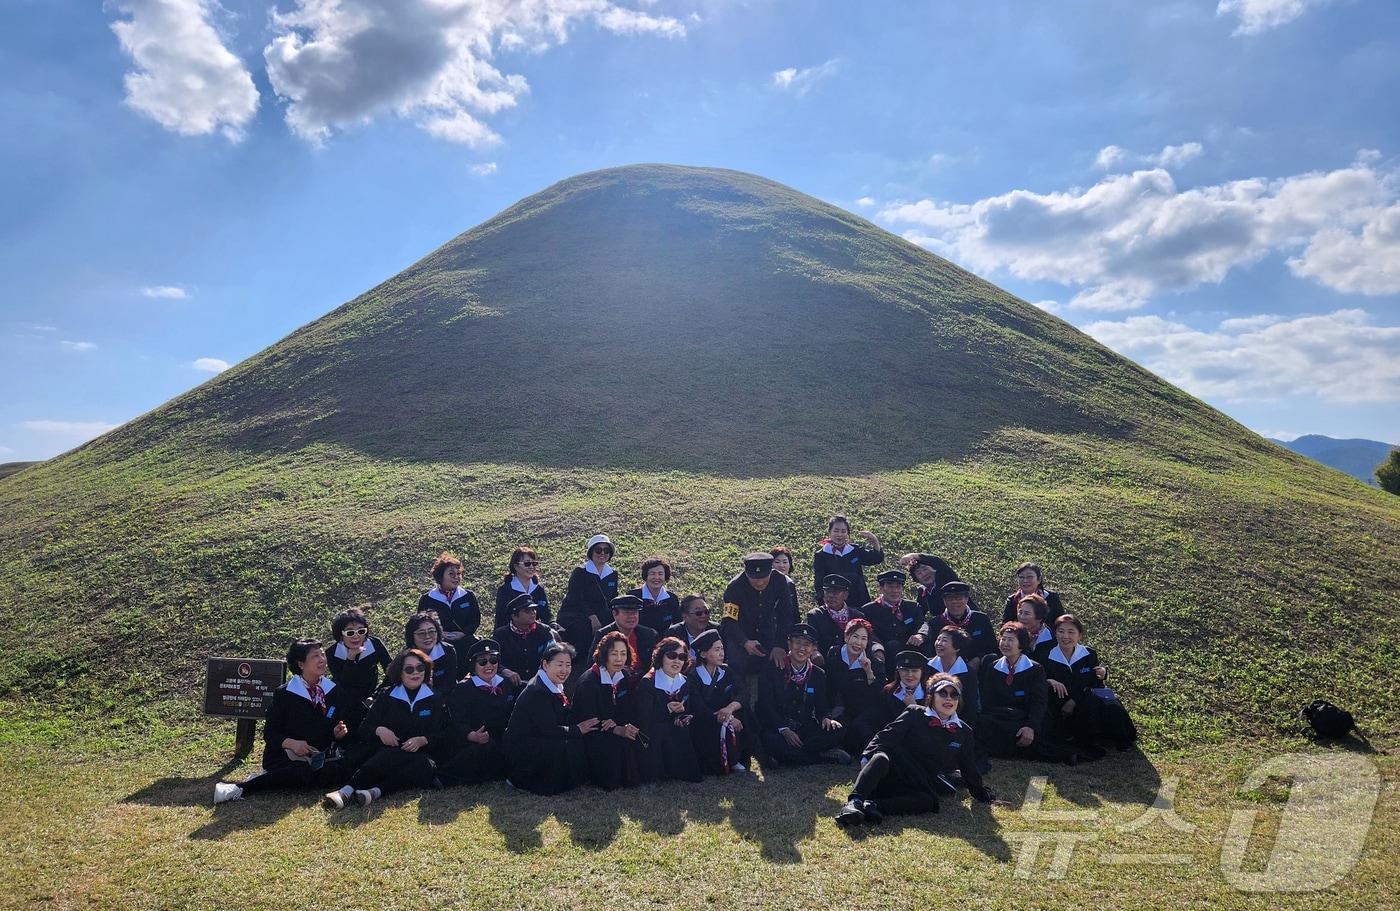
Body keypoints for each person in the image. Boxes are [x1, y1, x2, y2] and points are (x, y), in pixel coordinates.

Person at [835, 673, 996, 828]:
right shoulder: (914, 713)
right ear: (932, 697)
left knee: (928, 801)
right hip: (893, 770)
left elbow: (968, 767)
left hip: (919, 780)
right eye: (943, 693)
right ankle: (854, 803)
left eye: (954, 695)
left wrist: (982, 794)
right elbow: (885, 737)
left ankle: (873, 806)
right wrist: (866, 758)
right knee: (880, 758)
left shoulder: (963, 731)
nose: (949, 698)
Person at [214, 638, 354, 804]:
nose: (322, 659)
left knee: (339, 771)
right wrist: (293, 744)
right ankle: (243, 787)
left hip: (318, 757)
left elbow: (326, 729)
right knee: (301, 774)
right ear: (301, 664)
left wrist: (335, 733)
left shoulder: (331, 690)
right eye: (315, 656)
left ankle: (271, 779)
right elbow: (270, 734)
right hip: (284, 756)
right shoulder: (285, 694)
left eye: (322, 654)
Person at [325, 648, 447, 808]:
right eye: (409, 669)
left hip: (419, 756)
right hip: (385, 753)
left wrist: (423, 740)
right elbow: (364, 728)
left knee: (424, 766)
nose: (415, 673)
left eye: (420, 668)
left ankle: (375, 792)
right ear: (400, 672)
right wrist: (379, 730)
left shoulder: (435, 698)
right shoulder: (386, 695)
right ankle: (346, 791)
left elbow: (442, 732)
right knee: (388, 756)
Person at [502, 641, 595, 794]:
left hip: (539, 737)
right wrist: (578, 729)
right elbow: (549, 729)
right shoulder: (537, 691)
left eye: (568, 665)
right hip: (524, 747)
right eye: (559, 665)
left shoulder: (554, 684)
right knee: (564, 746)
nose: (564, 670)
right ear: (545, 665)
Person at [977, 622, 1074, 763]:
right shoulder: (993, 667)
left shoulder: (1035, 669)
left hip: (1025, 717)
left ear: (1021, 644)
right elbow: (988, 701)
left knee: (1029, 735)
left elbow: (1039, 702)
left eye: (1010, 640)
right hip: (1001, 717)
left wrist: (1030, 726)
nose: (1005, 643)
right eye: (1003, 639)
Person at [1043, 613, 1137, 753]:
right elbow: (1039, 680)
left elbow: (1094, 682)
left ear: (1079, 635)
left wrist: (1103, 674)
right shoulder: (1046, 655)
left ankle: (1122, 739)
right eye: (1061, 632)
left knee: (1110, 705)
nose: (1065, 636)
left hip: (1084, 697)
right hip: (1058, 702)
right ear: (1055, 634)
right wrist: (1049, 681)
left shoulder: (1088, 654)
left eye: (1071, 632)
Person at [756, 624, 848, 766]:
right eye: (798, 643)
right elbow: (766, 705)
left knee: (837, 730)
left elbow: (821, 706)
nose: (802, 648)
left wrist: (826, 718)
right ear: (789, 644)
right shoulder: (772, 669)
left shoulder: (818, 674)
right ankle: (821, 756)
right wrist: (784, 729)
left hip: (804, 727)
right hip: (778, 727)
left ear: (813, 649)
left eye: (807, 645)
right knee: (772, 742)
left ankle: (789, 757)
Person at [440, 639, 516, 786]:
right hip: (476, 741)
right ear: (473, 665)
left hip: (503, 738)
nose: (489, 665)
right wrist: (471, 735)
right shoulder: (463, 689)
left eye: (493, 660)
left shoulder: (505, 683)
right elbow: (456, 720)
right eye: (482, 662)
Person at [720, 553, 794, 703]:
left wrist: (779, 644)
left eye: (763, 578)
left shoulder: (780, 582)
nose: (759, 583)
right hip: (742, 636)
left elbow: (785, 615)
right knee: (735, 665)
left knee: (779, 667)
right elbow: (729, 621)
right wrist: (744, 642)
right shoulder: (735, 587)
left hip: (770, 636)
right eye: (754, 578)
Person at [573, 631, 642, 790]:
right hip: (592, 733)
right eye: (614, 654)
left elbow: (626, 708)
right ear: (604, 655)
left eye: (623, 654)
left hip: (614, 727)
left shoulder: (623, 675)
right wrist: (615, 729)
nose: (619, 659)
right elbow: (587, 719)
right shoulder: (588, 683)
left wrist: (622, 724)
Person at [635, 637, 703, 783]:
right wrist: (667, 709)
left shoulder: (685, 681)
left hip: (676, 730)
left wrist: (683, 716)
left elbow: (689, 708)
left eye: (682, 657)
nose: (677, 661)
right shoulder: (648, 682)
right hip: (654, 732)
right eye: (672, 656)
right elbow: (643, 718)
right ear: (661, 656)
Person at [686, 629, 750, 775]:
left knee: (745, 713)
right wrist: (726, 717)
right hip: (707, 721)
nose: (721, 653)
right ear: (703, 654)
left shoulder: (726, 671)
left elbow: (743, 692)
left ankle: (738, 757)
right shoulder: (693, 677)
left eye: (722, 648)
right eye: (716, 649)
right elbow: (698, 708)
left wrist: (731, 708)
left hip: (727, 714)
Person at [825, 618, 886, 754]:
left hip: (862, 711)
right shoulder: (834, 653)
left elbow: (878, 694)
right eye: (855, 637)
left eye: (864, 639)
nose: (858, 642)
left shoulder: (874, 663)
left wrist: (869, 672)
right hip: (838, 708)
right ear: (846, 637)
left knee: (860, 731)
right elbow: (829, 685)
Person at [325, 607, 391, 731]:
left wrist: (377, 694)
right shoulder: (332, 653)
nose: (356, 637)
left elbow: (392, 671)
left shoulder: (375, 644)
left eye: (361, 631)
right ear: (340, 635)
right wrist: (350, 659)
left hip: (371, 694)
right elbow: (343, 683)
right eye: (350, 633)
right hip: (346, 699)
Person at [559, 534, 621, 660]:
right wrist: (592, 616)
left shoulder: (612, 574)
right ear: (591, 552)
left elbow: (613, 597)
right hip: (576, 612)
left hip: (602, 613)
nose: (602, 553)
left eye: (606, 550)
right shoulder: (580, 572)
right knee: (583, 627)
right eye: (598, 550)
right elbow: (576, 598)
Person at [915, 580, 997, 666]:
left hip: (977, 667)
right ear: (944, 601)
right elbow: (932, 652)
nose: (954, 602)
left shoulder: (981, 619)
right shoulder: (935, 623)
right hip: (945, 667)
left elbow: (992, 647)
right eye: (949, 599)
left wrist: (978, 659)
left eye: (958, 598)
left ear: (966, 599)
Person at [811, 515, 883, 607]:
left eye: (843, 531)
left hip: (859, 600)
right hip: (835, 603)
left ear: (848, 533)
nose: (839, 535)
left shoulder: (855, 550)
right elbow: (819, 583)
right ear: (829, 532)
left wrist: (874, 539)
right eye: (836, 531)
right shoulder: (821, 555)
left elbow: (876, 558)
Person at [418, 552, 481, 645]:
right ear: (440, 576)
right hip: (438, 643)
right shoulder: (427, 599)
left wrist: (463, 633)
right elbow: (422, 624)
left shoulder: (468, 595)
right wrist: (439, 634)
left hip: (465, 641)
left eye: (458, 573)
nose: (456, 577)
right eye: (451, 574)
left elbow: (475, 620)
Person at [927, 626, 981, 733]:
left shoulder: (968, 673)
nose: (939, 643)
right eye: (938, 639)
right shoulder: (926, 666)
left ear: (957, 647)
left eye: (944, 641)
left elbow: (971, 706)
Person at [805, 575, 870, 662]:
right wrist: (815, 652)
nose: (831, 595)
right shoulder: (815, 615)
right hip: (827, 662)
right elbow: (812, 640)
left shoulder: (857, 615)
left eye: (836, 592)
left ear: (845, 595)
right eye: (828, 591)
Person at [862, 570, 924, 660]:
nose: (895, 591)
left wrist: (920, 635)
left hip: (910, 649)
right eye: (890, 587)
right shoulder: (868, 610)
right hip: (884, 652)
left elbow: (921, 623)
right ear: (881, 588)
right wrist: (877, 648)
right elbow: (869, 633)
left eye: (898, 587)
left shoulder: (913, 606)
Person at [492, 594, 555, 682]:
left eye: (534, 609)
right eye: (527, 611)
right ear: (514, 616)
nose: (533, 613)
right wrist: (504, 671)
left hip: (540, 684)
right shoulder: (501, 635)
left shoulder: (544, 631)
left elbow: (554, 657)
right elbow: (492, 660)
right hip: (510, 685)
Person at [591, 594, 657, 674]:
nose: (632, 616)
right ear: (614, 614)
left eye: (635, 612)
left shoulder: (648, 634)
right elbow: (592, 665)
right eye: (627, 613)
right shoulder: (603, 634)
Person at [493, 545, 552, 628]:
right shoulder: (505, 590)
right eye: (527, 564)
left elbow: (546, 616)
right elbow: (501, 620)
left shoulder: (538, 588)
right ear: (516, 566)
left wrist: (553, 626)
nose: (531, 567)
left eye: (534, 563)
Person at [898, 552, 970, 618]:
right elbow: (919, 612)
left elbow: (937, 562)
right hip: (946, 627)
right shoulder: (922, 592)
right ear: (916, 579)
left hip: (970, 621)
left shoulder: (946, 578)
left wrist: (914, 556)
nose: (924, 574)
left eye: (925, 569)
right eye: (919, 573)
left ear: (934, 569)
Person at [404, 611, 458, 696]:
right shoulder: (406, 656)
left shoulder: (448, 650)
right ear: (411, 635)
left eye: (431, 632)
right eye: (422, 633)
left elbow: (450, 684)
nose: (428, 637)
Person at [631, 557, 681, 633]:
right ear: (646, 576)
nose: (656, 577)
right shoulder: (634, 596)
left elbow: (678, 624)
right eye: (652, 574)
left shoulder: (672, 599)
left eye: (660, 574)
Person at [666, 594, 719, 659]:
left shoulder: (717, 630)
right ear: (685, 616)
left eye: (706, 612)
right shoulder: (673, 634)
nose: (703, 616)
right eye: (698, 613)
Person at [769, 545, 803, 631]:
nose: (781, 566)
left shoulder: (790, 583)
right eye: (777, 562)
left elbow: (794, 611)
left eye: (785, 562)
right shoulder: (763, 583)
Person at [1015, 594, 1055, 659]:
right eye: (1020, 612)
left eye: (1027, 613)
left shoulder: (1050, 639)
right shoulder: (1014, 633)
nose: (1022, 617)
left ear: (1039, 617)